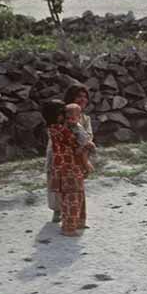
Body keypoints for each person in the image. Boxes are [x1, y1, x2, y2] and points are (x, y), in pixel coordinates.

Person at [44, 100, 87, 236]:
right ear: (58, 115)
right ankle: (69, 227)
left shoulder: (57, 128)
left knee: (78, 194)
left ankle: (78, 222)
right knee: (71, 197)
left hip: (70, 165)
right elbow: (76, 142)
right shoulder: (59, 129)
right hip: (67, 168)